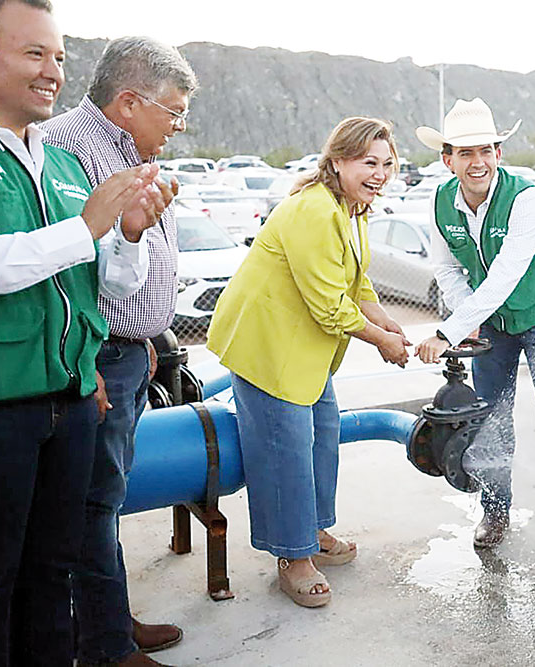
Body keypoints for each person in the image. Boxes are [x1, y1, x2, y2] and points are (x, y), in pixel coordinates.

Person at [0, 0, 169, 663]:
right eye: (34, 53)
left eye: (60, 57)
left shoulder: (65, 169)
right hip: (2, 410)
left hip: (70, 406)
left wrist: (128, 235)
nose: (52, 72)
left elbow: (110, 285)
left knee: (54, 568)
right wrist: (88, 227)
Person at [206, 117, 410, 608]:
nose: (379, 173)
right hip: (269, 348)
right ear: (338, 160)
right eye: (368, 162)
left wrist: (390, 324)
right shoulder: (314, 211)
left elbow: (357, 287)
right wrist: (382, 341)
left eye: (387, 164)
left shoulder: (352, 209)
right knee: (285, 453)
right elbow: (330, 306)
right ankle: (293, 558)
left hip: (307, 352)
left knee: (322, 440)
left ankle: (312, 531)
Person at [41, 36, 197, 665]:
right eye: (174, 113)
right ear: (130, 102)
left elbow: (132, 256)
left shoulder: (126, 148)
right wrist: (85, 357)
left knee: (105, 498)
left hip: (129, 352)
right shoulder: (62, 148)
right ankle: (105, 646)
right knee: (90, 504)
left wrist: (152, 337)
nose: (179, 128)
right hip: (93, 360)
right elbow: (57, 267)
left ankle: (108, 616)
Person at [414, 98, 535, 549]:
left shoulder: (526, 201)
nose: (477, 162)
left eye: (485, 150)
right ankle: (495, 513)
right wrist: (466, 315)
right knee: (489, 420)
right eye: (465, 153)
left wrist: (449, 330)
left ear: (499, 155)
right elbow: (447, 268)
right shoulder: (441, 202)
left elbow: (506, 276)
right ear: (447, 159)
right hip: (493, 325)